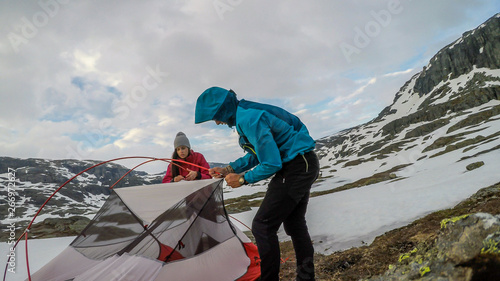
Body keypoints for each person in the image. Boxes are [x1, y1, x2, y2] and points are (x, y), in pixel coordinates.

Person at [195, 87, 319, 281]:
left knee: (262, 225)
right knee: (295, 225)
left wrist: (243, 179)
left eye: (215, 117)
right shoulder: (246, 113)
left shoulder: (249, 119)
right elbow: (256, 154)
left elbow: (271, 163)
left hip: (296, 166)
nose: (217, 122)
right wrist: (229, 169)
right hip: (302, 162)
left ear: (223, 109)